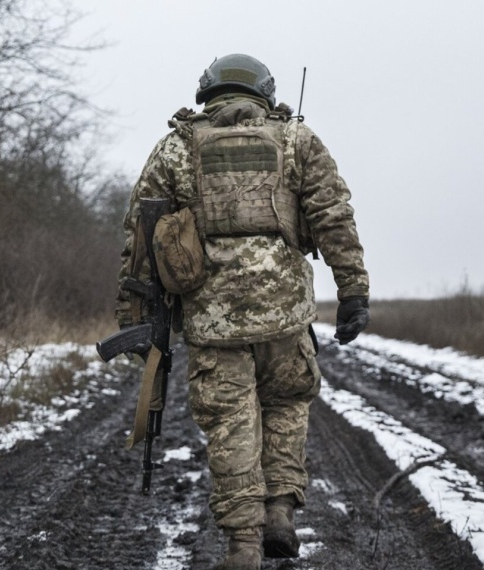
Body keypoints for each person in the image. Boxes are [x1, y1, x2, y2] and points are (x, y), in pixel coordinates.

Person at [115, 53, 370, 570]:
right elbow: (333, 215)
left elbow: (141, 236)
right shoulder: (297, 140)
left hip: (213, 321)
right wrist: (354, 291)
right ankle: (279, 511)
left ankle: (243, 546)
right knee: (286, 407)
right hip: (286, 317)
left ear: (208, 91)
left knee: (230, 422)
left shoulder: (177, 147)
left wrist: (133, 315)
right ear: (265, 92)